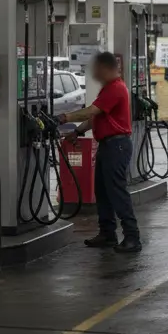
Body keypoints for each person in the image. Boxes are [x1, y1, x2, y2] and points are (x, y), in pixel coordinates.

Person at [57, 52, 139, 253]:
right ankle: (107, 233)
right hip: (107, 145)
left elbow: (91, 111)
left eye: (96, 69)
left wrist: (66, 117)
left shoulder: (116, 88)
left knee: (117, 191)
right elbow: (96, 118)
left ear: (105, 68)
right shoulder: (108, 89)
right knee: (102, 191)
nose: (94, 74)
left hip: (116, 146)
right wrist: (77, 132)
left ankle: (132, 237)